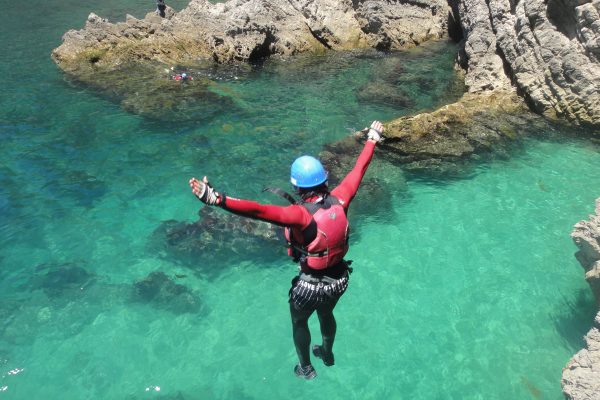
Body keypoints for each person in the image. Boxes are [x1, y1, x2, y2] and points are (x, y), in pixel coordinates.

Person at [189, 120, 384, 380]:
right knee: (327, 313)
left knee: (299, 321)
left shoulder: (299, 215)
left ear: (297, 188)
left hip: (309, 287)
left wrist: (217, 199)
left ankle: (305, 367)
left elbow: (258, 210)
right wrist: (372, 138)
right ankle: (327, 352)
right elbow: (359, 169)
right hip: (339, 279)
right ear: (324, 180)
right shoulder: (342, 197)